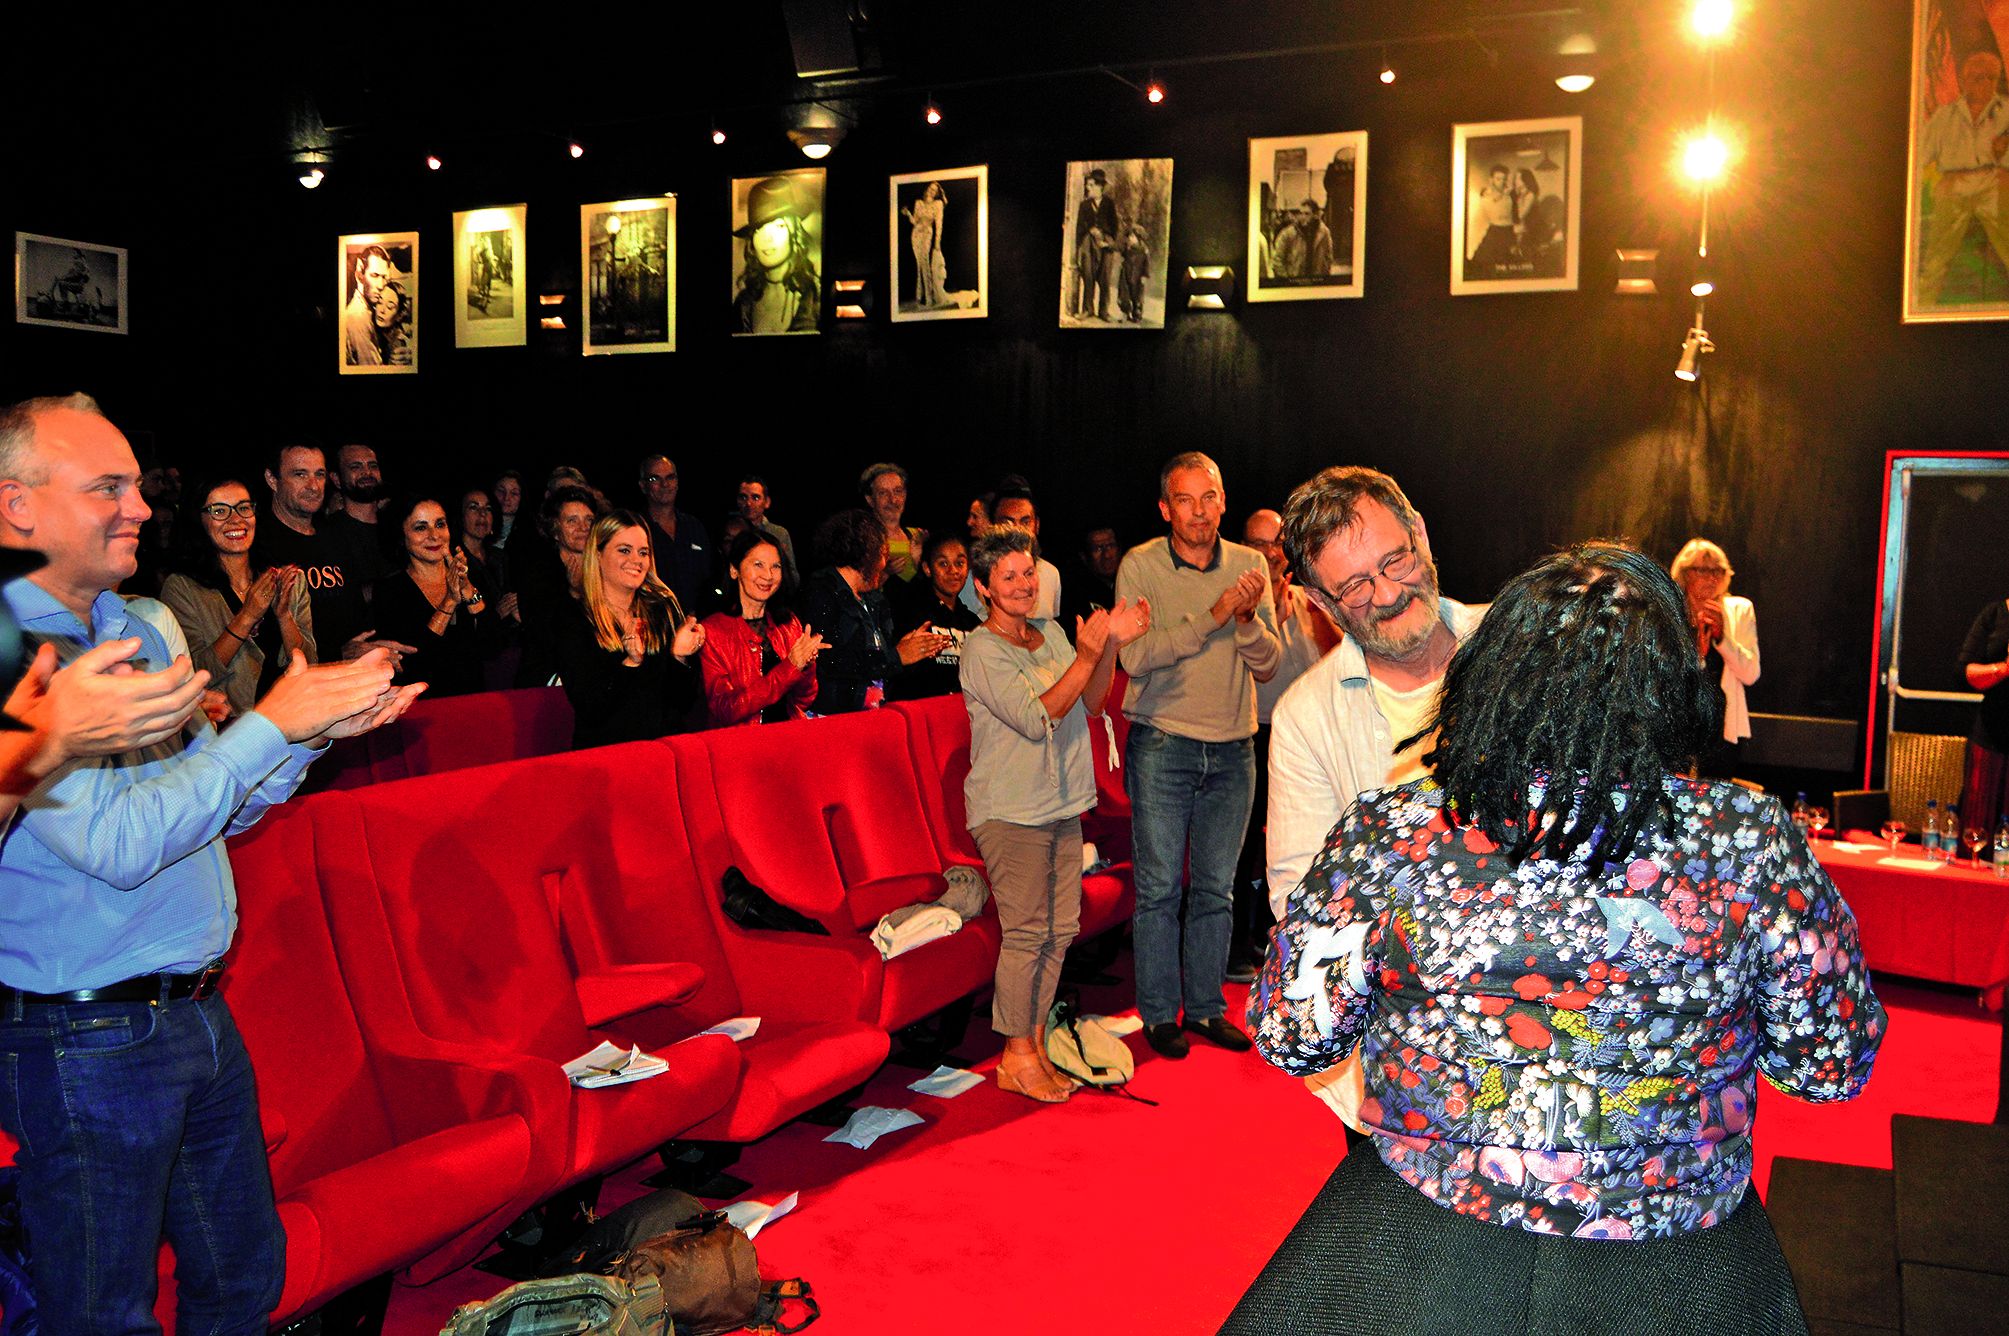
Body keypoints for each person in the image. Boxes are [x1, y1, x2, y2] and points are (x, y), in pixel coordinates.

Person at [1225, 542, 1884, 1333]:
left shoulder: (1394, 828)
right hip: (1671, 1252)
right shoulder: (1747, 838)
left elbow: (1291, 1034)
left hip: (1422, 1238)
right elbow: (1828, 1068)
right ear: (1674, 691)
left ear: (1488, 675)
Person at [0, 393, 421, 1336]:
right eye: (107, 487)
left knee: (241, 1283)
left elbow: (203, 804)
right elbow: (117, 845)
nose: (141, 507)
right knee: (103, 1314)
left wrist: (303, 737)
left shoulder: (135, 625)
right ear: (16, 505)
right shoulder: (9, 646)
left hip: (192, 1012)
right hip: (86, 1040)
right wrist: (269, 723)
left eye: (137, 486)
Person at [961, 524, 1150, 1102]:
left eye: (1029, 573)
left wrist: (1109, 646)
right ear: (985, 588)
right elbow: (1037, 715)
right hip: (1009, 810)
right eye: (1009, 577)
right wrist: (1090, 651)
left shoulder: (1047, 633)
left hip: (1062, 803)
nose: (1023, 585)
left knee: (1059, 929)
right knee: (1025, 933)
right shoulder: (981, 648)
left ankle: (1036, 1044)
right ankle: (1014, 1055)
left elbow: (1091, 701)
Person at [1116, 452, 1281, 1059]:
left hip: (1234, 747)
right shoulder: (1139, 566)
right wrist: (1211, 617)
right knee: (1160, 888)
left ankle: (1207, 1009)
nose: (1199, 511)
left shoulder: (1250, 564)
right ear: (1166, 509)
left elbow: (1265, 664)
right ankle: (1161, 1014)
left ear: (1223, 500)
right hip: (1163, 743)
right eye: (1184, 500)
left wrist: (1243, 621)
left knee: (1216, 890)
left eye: (1208, 497)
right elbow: (1133, 657)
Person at [1226, 507, 1339, 982]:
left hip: (1306, 737)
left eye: (1276, 544)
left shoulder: (1307, 599)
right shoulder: (1236, 605)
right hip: (1253, 731)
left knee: (1299, 844)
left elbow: (1337, 653)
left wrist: (1307, 614)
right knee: (1244, 847)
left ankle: (1271, 938)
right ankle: (1233, 947)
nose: (1268, 554)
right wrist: (1259, 613)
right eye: (1257, 544)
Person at [158, 477, 316, 720]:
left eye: (243, 508)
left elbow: (310, 664)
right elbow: (196, 673)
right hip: (229, 731)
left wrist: (284, 617)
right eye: (219, 511)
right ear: (199, 520)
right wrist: (247, 617)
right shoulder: (182, 588)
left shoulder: (288, 580)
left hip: (294, 722)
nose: (236, 519)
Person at [556, 509, 705, 748]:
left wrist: (679, 656)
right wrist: (630, 664)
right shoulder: (574, 618)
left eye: (643, 552)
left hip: (662, 752)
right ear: (598, 554)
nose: (637, 560)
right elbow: (591, 708)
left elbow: (682, 703)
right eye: (624, 550)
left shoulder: (663, 607)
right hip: (607, 757)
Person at [253, 443, 410, 665]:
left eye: (319, 474)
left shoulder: (335, 536)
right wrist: (337, 654)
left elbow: (355, 609)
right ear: (272, 479)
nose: (314, 486)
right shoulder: (258, 545)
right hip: (297, 686)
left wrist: (374, 648)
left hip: (354, 678)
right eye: (300, 474)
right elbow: (263, 638)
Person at [799, 509, 948, 714]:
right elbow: (829, 661)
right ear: (867, 554)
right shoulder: (823, 591)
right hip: (833, 718)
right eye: (883, 554)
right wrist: (896, 656)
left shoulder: (874, 598)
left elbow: (879, 662)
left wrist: (904, 649)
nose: (885, 563)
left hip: (872, 715)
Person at [369, 495, 492, 698]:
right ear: (402, 535)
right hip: (422, 706)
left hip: (473, 702)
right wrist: (450, 601)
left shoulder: (471, 574)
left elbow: (492, 643)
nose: (434, 536)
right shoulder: (390, 590)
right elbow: (414, 662)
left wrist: (468, 590)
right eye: (421, 527)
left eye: (440, 524)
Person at [699, 527, 822, 727]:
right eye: (758, 565)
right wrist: (790, 667)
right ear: (734, 570)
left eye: (776, 566)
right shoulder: (713, 631)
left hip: (787, 736)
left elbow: (804, 700)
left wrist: (807, 665)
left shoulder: (788, 623)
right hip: (742, 746)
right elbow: (726, 710)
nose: (768, 575)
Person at [1917, 49, 2009, 303]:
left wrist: (2003, 158)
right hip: (1953, 183)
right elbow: (1920, 155)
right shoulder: (1944, 116)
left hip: (1994, 182)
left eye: (1991, 77)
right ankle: (1922, 307)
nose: (1985, 84)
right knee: (1937, 256)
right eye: (1978, 77)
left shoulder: (2006, 112)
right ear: (1965, 80)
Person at [1670, 538, 1759, 778]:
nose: (1712, 578)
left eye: (1717, 571)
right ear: (1686, 574)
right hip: (1675, 724)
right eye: (1703, 570)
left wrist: (1723, 639)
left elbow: (1751, 674)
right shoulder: (1671, 612)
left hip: (1722, 730)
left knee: (1712, 810)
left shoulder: (1739, 610)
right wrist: (1696, 653)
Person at [513, 484, 601, 687]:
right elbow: (547, 634)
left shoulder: (605, 568)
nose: (583, 527)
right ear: (554, 529)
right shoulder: (538, 572)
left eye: (589, 520)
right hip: (547, 680)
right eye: (572, 521)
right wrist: (576, 592)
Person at [889, 530, 983, 700]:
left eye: (960, 563)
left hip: (962, 715)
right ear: (927, 568)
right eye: (943, 564)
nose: (953, 571)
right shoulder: (910, 612)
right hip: (922, 714)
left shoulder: (973, 623)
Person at [733, 176, 820, 334]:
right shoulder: (743, 304)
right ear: (752, 240)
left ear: (794, 233)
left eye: (778, 226)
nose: (768, 238)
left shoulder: (816, 295)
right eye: (760, 229)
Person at [959, 488, 1061, 620]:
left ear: (1037, 525)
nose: (1017, 529)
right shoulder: (975, 574)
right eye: (1008, 522)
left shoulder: (1052, 573)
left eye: (1025, 522)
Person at [1955, 594, 2009, 833]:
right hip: (1992, 737)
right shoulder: (1995, 614)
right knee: (1978, 829)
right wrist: (2004, 668)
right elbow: (1964, 674)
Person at [637, 453, 712, 616]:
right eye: (654, 479)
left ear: (677, 483)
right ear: (643, 486)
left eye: (670, 477)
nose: (665, 484)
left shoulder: (694, 527)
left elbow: (708, 577)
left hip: (696, 624)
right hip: (652, 623)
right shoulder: (635, 528)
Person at [861, 462, 927, 584]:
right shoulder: (862, 538)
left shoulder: (917, 536)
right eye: (883, 493)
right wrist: (884, 573)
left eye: (897, 491)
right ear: (870, 499)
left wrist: (921, 560)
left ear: (905, 495)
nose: (892, 500)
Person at [1072, 168, 1120, 320]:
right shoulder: (1084, 205)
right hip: (1088, 244)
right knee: (1088, 275)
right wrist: (1089, 232)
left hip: (1105, 244)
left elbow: (1115, 226)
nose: (1088, 188)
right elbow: (1079, 228)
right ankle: (1088, 309)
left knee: (1105, 278)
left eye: (1091, 185)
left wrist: (1107, 240)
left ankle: (1104, 311)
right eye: (1088, 185)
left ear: (1100, 187)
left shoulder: (1109, 204)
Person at [736, 474, 798, 588]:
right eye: (743, 497)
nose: (748, 503)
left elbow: (792, 575)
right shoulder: (732, 532)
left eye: (755, 497)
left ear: (767, 502)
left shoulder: (778, 533)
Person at [1059, 524, 1121, 628]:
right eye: (1098, 548)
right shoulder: (1074, 593)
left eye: (1111, 546)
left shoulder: (1133, 580)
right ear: (1084, 556)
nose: (1107, 555)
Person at [902, 180, 948, 308]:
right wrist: (908, 214)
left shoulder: (938, 204)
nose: (931, 191)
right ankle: (920, 296)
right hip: (916, 234)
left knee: (925, 264)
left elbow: (939, 225)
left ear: (937, 193)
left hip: (927, 234)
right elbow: (915, 221)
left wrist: (937, 242)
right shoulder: (918, 203)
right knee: (919, 265)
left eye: (934, 190)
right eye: (930, 188)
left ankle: (929, 297)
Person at [1467, 164, 1518, 277]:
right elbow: (1493, 208)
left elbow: (1515, 213)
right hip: (1495, 231)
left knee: (1509, 267)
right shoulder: (1486, 194)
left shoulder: (1510, 194)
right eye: (1498, 179)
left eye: (1504, 179)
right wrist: (1503, 195)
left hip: (1509, 231)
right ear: (1491, 180)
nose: (1502, 182)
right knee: (1483, 265)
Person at [344, 243, 390, 366]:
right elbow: (373, 371)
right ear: (359, 275)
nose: (381, 285)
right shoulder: (358, 317)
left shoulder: (367, 310)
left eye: (385, 278)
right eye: (374, 275)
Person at [1274, 199, 1334, 280]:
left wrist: (1323, 277)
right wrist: (1287, 280)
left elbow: (1328, 256)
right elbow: (1277, 260)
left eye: (1307, 214)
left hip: (1315, 280)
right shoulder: (1288, 233)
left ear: (1315, 215)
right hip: (1295, 280)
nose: (1302, 217)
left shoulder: (1324, 233)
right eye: (1301, 213)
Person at [372, 279, 412, 364]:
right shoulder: (373, 330)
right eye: (380, 302)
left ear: (399, 315)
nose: (382, 310)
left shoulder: (399, 344)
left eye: (390, 307)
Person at [1117, 223, 1151, 320]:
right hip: (1126, 273)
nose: (1130, 239)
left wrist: (1145, 275)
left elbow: (1147, 263)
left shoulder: (1144, 250)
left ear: (1138, 238)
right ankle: (1125, 312)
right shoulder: (1128, 247)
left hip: (1138, 276)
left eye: (1132, 236)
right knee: (1124, 294)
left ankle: (1137, 313)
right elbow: (1121, 251)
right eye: (1129, 237)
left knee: (1137, 295)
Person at [492, 469, 524, 549]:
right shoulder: (481, 524)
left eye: (514, 493)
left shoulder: (529, 533)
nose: (506, 498)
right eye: (501, 491)